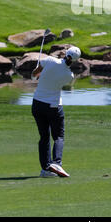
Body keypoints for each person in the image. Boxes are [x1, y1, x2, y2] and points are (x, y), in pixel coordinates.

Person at [31, 46, 81, 178]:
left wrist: (35, 75)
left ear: (65, 53)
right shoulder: (69, 76)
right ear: (75, 60)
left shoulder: (49, 60)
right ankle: (56, 162)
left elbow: (35, 73)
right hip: (53, 107)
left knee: (44, 137)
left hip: (37, 104)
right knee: (58, 136)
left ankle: (46, 169)